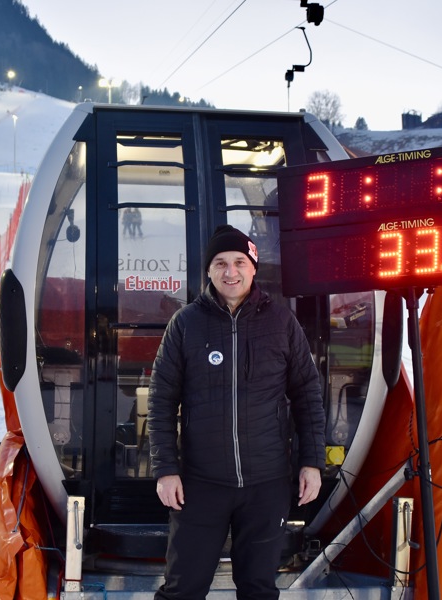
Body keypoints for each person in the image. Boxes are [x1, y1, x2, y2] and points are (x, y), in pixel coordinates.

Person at [148, 224, 326, 600]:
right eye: (221, 263)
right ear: (209, 271)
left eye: (239, 262)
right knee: (182, 589)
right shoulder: (186, 325)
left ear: (253, 267)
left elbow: (308, 393)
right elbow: (161, 400)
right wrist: (166, 469)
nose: (231, 272)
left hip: (267, 485)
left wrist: (312, 461)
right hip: (200, 485)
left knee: (259, 590)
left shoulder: (281, 323)